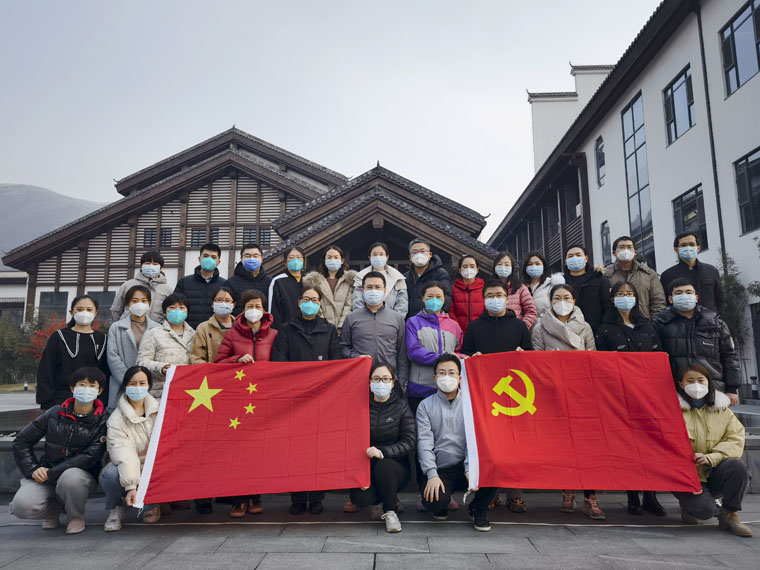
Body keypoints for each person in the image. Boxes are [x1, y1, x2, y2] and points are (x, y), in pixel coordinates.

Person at [531, 284, 603, 519]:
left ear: (574, 300)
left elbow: (592, 358)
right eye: (557, 298)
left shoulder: (585, 326)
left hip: (581, 393)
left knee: (587, 447)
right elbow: (536, 363)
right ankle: (567, 491)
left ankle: (590, 497)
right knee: (563, 446)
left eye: (567, 297)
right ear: (550, 301)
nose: (562, 301)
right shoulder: (540, 327)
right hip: (553, 394)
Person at [594, 281, 666, 516]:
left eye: (629, 293)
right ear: (612, 299)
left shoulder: (647, 326)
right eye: (620, 294)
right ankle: (632, 495)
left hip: (648, 394)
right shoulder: (605, 329)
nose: (625, 297)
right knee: (628, 446)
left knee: (650, 445)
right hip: (620, 396)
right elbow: (600, 364)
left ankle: (651, 495)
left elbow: (658, 357)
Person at [461, 280, 532, 513]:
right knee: (490, 445)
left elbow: (530, 356)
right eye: (490, 295)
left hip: (515, 395)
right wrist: (474, 358)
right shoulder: (474, 327)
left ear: (506, 297)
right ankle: (490, 493)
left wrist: (522, 355)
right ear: (484, 299)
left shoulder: (519, 326)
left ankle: (515, 494)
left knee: (515, 446)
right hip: (486, 394)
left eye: (499, 295)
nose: (495, 299)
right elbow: (466, 356)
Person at [10, 367, 109, 535]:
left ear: (99, 391)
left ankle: (76, 516)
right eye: (82, 384)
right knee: (21, 505)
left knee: (71, 478)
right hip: (46, 472)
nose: (86, 389)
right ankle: (53, 509)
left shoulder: (103, 420)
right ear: (72, 388)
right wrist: (33, 469)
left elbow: (89, 456)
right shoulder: (55, 413)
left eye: (92, 386)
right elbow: (21, 441)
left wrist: (51, 473)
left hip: (80, 476)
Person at [271, 286, 341, 515]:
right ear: (299, 302)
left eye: (315, 299)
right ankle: (298, 498)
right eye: (306, 299)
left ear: (320, 304)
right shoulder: (286, 329)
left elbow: (336, 363)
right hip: (295, 399)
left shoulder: (329, 330)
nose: (310, 303)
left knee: (318, 450)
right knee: (296, 450)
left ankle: (317, 497)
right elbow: (279, 362)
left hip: (321, 399)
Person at [416, 354, 497, 532]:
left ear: (460, 378)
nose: (447, 377)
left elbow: (473, 438)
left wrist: (470, 467)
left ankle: (478, 509)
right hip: (441, 467)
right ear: (435, 378)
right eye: (442, 373)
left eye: (452, 372)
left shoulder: (471, 404)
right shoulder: (425, 406)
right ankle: (442, 503)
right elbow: (424, 442)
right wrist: (432, 474)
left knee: (494, 467)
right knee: (434, 503)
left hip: (466, 464)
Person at [215, 289, 278, 517]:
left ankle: (255, 497)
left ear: (264, 309)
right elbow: (219, 363)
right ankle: (238, 499)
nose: (254, 310)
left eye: (258, 306)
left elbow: (281, 365)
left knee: (258, 450)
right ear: (242, 309)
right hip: (238, 400)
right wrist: (237, 359)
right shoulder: (232, 334)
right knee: (237, 450)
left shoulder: (274, 334)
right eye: (250, 306)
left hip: (263, 398)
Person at [673, 363, 752, 537]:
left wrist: (712, 457)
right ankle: (688, 505)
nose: (696, 385)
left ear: (708, 382)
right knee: (704, 511)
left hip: (714, 471)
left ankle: (729, 514)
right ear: (681, 384)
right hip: (685, 477)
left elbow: (735, 438)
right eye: (690, 381)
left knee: (738, 467)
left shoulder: (722, 411)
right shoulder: (672, 412)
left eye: (701, 380)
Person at [350, 363, 416, 533]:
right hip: (366, 467)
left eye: (386, 379)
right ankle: (380, 500)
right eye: (376, 379)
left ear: (392, 383)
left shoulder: (401, 406)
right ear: (369, 382)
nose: (381, 382)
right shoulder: (359, 406)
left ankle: (390, 510)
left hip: (395, 468)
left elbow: (409, 441)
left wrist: (383, 452)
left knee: (385, 466)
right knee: (359, 498)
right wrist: (358, 474)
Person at [653, 278, 741, 405]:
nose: (684, 296)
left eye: (689, 292)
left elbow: (729, 355)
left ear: (696, 297)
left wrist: (732, 388)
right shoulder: (659, 323)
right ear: (670, 299)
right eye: (678, 293)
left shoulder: (715, 323)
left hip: (712, 391)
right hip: (674, 392)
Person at [101, 366, 161, 531]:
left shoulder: (160, 411)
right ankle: (116, 507)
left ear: (149, 386)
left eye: (142, 383)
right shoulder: (116, 419)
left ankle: (152, 504)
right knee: (111, 475)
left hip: (154, 467)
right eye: (133, 383)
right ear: (125, 386)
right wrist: (131, 487)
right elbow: (124, 454)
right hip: (129, 466)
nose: (137, 387)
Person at [36, 295, 109, 410]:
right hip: (59, 401)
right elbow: (46, 369)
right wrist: (47, 401)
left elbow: (106, 373)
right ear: (71, 312)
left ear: (96, 313)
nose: (84, 313)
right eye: (79, 309)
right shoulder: (59, 336)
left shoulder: (103, 339)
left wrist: (102, 402)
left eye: (89, 309)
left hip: (92, 401)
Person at [341, 272, 409, 390]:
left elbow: (402, 353)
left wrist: (401, 382)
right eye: (369, 287)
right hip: (359, 379)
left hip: (389, 380)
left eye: (377, 287)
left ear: (384, 290)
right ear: (363, 291)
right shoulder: (351, 318)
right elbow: (343, 348)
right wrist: (357, 357)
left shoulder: (397, 318)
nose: (373, 290)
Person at [106, 285, 160, 412]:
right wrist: (129, 380)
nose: (139, 304)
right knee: (120, 417)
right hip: (121, 384)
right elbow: (112, 357)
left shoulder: (158, 328)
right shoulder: (116, 327)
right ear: (128, 304)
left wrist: (143, 382)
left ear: (149, 303)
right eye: (135, 301)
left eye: (144, 300)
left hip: (148, 385)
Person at [137, 293, 195, 399]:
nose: (177, 311)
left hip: (189, 392)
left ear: (187, 312)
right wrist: (161, 368)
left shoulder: (195, 335)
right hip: (160, 392)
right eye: (172, 308)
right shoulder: (153, 333)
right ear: (165, 313)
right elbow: (141, 362)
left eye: (181, 308)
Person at [660, 231, 724, 315]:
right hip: (681, 321)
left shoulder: (711, 271)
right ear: (676, 250)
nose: (688, 248)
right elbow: (666, 304)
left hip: (710, 320)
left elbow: (720, 299)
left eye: (691, 244)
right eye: (683, 245)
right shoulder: (667, 275)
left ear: (698, 248)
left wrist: (717, 318)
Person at [603, 236, 666, 319]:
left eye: (629, 247)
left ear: (635, 252)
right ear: (614, 253)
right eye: (621, 247)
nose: (626, 250)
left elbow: (658, 301)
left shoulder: (648, 274)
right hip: (614, 323)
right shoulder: (606, 275)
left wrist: (655, 323)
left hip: (644, 323)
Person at [303, 244, 356, 332]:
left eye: (336, 257)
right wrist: (324, 325)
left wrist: (341, 326)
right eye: (329, 257)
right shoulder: (315, 281)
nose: (333, 260)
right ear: (324, 261)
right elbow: (316, 306)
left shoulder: (349, 281)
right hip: (321, 328)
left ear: (342, 260)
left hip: (344, 329)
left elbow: (349, 305)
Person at [174, 243, 228, 329]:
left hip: (215, 331)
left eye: (213, 257)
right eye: (206, 256)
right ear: (199, 259)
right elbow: (175, 307)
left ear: (218, 262)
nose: (209, 259)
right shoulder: (184, 282)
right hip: (188, 331)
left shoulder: (225, 284)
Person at [110, 251, 174, 323]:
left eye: (155, 264)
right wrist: (118, 325)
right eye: (147, 263)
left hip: (155, 328)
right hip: (128, 326)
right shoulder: (127, 285)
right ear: (141, 266)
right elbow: (117, 309)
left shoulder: (167, 290)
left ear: (161, 268)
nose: (151, 266)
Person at [563, 244, 615, 331]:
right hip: (568, 331)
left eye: (578, 255)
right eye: (570, 256)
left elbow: (609, 307)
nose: (575, 258)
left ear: (586, 258)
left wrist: (604, 329)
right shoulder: (560, 282)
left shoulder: (599, 279)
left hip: (596, 330)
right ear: (565, 261)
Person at [352, 242, 408, 317]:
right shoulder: (361, 277)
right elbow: (357, 302)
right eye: (374, 255)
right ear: (369, 257)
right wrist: (363, 319)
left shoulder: (398, 277)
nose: (378, 257)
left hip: (391, 320)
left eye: (381, 254)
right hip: (364, 320)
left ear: (387, 257)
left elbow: (402, 303)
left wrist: (395, 320)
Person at [404, 238, 451, 318]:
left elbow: (446, 298)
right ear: (410, 257)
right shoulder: (406, 277)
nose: (419, 255)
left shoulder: (440, 274)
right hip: (410, 321)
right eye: (415, 252)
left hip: (432, 320)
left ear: (430, 254)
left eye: (422, 251)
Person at [190, 286, 236, 365]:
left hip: (237, 372)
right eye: (219, 300)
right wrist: (211, 368)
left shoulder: (241, 326)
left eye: (227, 300)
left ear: (233, 304)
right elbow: (196, 358)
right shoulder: (203, 328)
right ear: (212, 304)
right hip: (211, 371)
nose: (223, 303)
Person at [493, 251, 538, 328]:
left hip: (515, 330)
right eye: (500, 264)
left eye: (507, 264)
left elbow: (531, 311)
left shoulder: (520, 287)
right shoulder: (488, 287)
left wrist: (521, 328)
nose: (503, 267)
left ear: (512, 268)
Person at [226, 243, 272, 315]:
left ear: (261, 259)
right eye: (247, 256)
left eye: (255, 256)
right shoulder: (231, 283)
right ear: (241, 259)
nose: (252, 259)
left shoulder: (270, 282)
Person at [268, 246, 306, 327]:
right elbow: (274, 310)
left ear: (303, 260)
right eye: (291, 257)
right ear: (285, 262)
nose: (295, 260)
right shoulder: (278, 281)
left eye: (299, 257)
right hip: (286, 329)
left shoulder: (309, 280)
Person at [521, 251, 565, 317]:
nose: (534, 267)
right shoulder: (520, 287)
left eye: (537, 264)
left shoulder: (552, 284)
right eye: (530, 264)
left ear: (543, 267)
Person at [449, 254, 485, 333]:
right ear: (460, 270)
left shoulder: (484, 289)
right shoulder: (453, 289)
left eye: (472, 266)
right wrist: (457, 329)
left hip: (479, 332)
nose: (469, 269)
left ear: (477, 269)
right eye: (465, 266)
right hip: (458, 333)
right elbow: (451, 312)